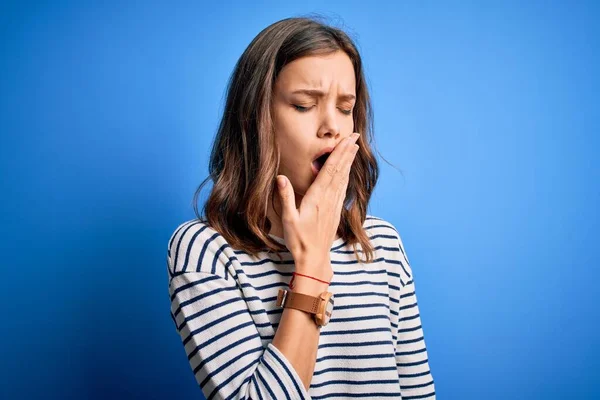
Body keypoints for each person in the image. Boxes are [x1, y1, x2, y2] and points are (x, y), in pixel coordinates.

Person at [166, 16, 436, 400]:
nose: (332, 127)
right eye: (305, 104)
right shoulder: (206, 253)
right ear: (255, 119)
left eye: (346, 108)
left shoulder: (383, 246)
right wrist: (311, 266)